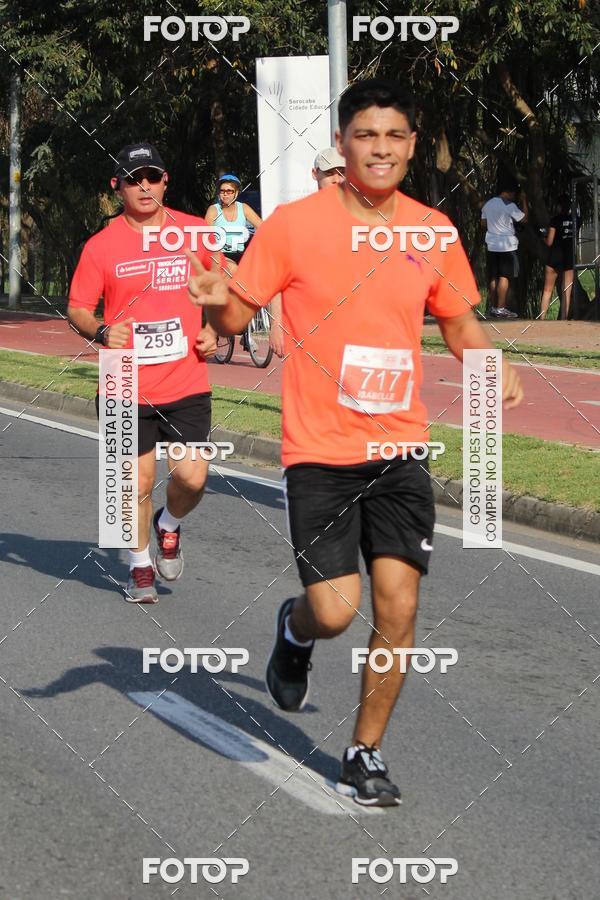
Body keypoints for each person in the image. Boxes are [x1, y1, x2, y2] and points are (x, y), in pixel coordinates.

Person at [186, 79, 523, 807]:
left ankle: (363, 752)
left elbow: (458, 319)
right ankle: (295, 628)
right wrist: (219, 298)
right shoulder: (292, 226)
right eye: (366, 135)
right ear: (342, 144)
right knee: (336, 611)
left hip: (400, 449)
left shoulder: (432, 230)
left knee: (398, 609)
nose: (380, 148)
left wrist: (491, 363)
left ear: (410, 146)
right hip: (320, 452)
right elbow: (241, 308)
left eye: (394, 136)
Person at [68, 143, 219, 604]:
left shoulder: (195, 232)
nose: (145, 186)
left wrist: (214, 327)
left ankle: (168, 525)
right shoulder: (102, 246)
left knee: (192, 477)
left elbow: (222, 287)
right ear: (118, 187)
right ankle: (139, 568)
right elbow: (77, 307)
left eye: (152, 177)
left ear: (165, 181)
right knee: (135, 483)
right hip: (123, 381)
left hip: (186, 379)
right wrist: (101, 330)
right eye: (134, 179)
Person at [481, 181, 528, 318]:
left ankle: (494, 307)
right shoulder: (510, 205)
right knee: (505, 276)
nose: (514, 197)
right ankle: (501, 308)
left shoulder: (488, 204)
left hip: (491, 244)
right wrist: (525, 202)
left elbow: (483, 223)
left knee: (494, 276)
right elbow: (524, 220)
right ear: (509, 193)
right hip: (507, 246)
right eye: (514, 195)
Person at [205, 174, 262, 264]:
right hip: (219, 255)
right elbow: (205, 236)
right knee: (231, 268)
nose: (225, 194)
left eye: (229, 191)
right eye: (222, 191)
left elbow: (263, 228)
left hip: (240, 255)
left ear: (236, 193)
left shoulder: (243, 208)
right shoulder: (213, 209)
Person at [540, 193, 575, 320]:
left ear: (559, 206)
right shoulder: (576, 220)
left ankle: (542, 318)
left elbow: (549, 241)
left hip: (554, 256)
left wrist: (543, 236)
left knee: (547, 290)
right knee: (567, 289)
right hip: (569, 257)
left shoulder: (555, 220)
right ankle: (564, 318)